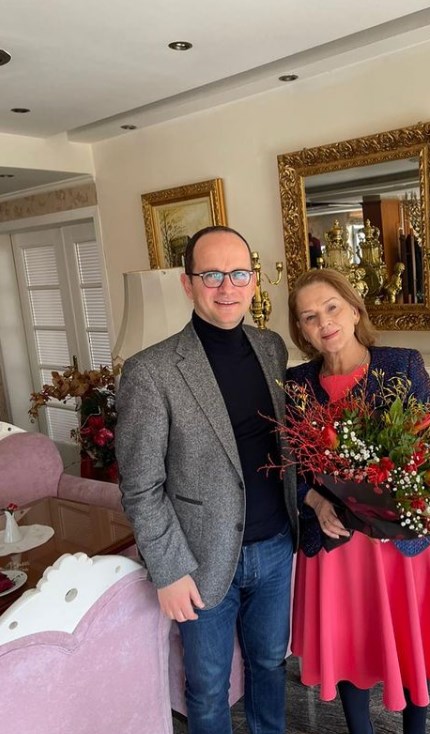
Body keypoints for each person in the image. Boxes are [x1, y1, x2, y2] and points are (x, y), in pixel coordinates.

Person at [117, 226, 298, 734]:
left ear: (254, 281)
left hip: (275, 547)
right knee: (208, 686)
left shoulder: (271, 348)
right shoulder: (150, 371)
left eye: (238, 274)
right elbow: (140, 486)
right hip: (198, 562)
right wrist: (169, 570)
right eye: (212, 275)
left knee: (270, 664)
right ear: (188, 283)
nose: (226, 287)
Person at [286, 268, 430, 734]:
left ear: (354, 309)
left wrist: (393, 499)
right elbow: (291, 466)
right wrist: (316, 502)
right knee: (349, 642)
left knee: (409, 640)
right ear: (301, 329)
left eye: (331, 308)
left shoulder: (401, 364)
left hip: (398, 542)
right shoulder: (297, 384)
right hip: (337, 545)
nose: (324, 322)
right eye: (309, 317)